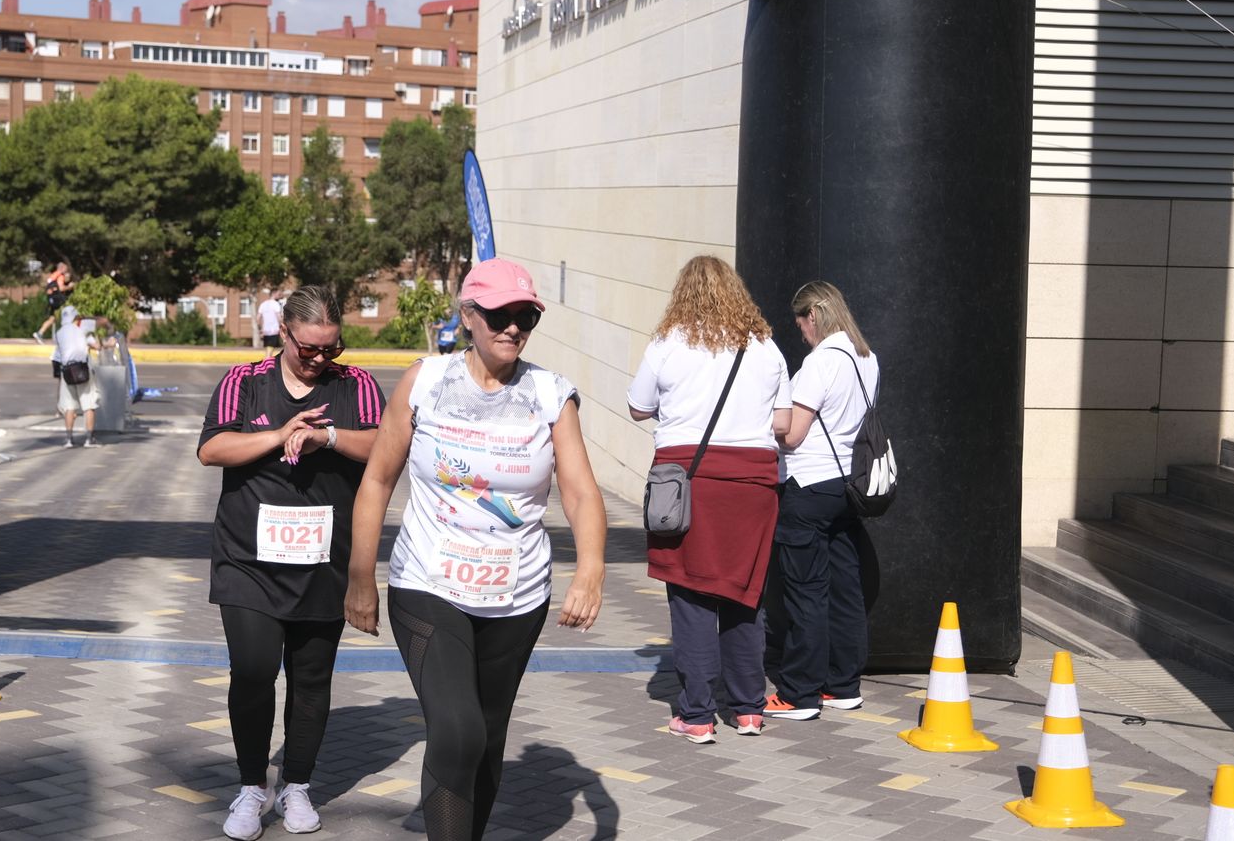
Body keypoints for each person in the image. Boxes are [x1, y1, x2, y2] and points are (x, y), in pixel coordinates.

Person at [345, 257, 606, 841]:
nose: (512, 327)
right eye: (498, 315)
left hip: (517, 596)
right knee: (458, 729)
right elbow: (378, 479)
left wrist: (590, 571)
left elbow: (582, 493)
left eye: (525, 317)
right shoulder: (427, 380)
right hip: (428, 582)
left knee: (487, 738)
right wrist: (361, 573)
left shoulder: (549, 394)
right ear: (468, 315)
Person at [197, 285, 384, 840]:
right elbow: (211, 449)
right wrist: (278, 434)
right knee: (253, 673)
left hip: (324, 559)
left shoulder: (358, 385)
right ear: (285, 335)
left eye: (332, 347)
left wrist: (325, 436)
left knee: (311, 679)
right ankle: (252, 786)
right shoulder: (245, 381)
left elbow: (385, 445)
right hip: (247, 559)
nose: (322, 359)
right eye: (310, 349)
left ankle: (297, 785)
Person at [626, 256, 790, 742]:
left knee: (692, 593)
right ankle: (747, 708)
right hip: (754, 484)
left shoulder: (668, 343)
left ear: (683, 293)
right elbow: (782, 424)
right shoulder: (765, 347)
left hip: (688, 480)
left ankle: (696, 715)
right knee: (746, 592)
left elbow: (638, 408)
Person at [765, 280, 882, 722]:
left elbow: (793, 433)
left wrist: (766, 419)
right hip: (847, 487)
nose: (801, 333)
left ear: (812, 316)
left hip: (808, 486)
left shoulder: (820, 363)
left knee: (805, 592)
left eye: (801, 325)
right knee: (845, 587)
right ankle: (843, 684)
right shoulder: (866, 358)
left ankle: (798, 693)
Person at [55, 306, 106, 447]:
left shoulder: (59, 333)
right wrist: (90, 318)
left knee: (69, 406)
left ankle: (69, 439)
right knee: (89, 404)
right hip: (82, 369)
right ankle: (89, 439)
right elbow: (102, 323)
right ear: (75, 318)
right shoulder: (82, 327)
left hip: (66, 371)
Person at [33, 262, 74, 343]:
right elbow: (61, 288)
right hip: (59, 300)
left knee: (52, 318)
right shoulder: (60, 276)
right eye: (65, 269)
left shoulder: (53, 275)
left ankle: (40, 333)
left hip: (52, 299)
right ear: (61, 268)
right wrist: (69, 287)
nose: (66, 271)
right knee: (68, 316)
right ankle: (68, 336)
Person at [257, 290, 285, 355]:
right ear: (274, 294)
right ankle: (267, 362)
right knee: (271, 349)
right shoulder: (275, 304)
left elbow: (258, 318)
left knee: (268, 348)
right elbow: (279, 317)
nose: (280, 296)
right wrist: (283, 326)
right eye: (278, 294)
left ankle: (268, 361)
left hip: (265, 331)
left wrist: (260, 329)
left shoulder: (263, 304)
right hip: (274, 330)